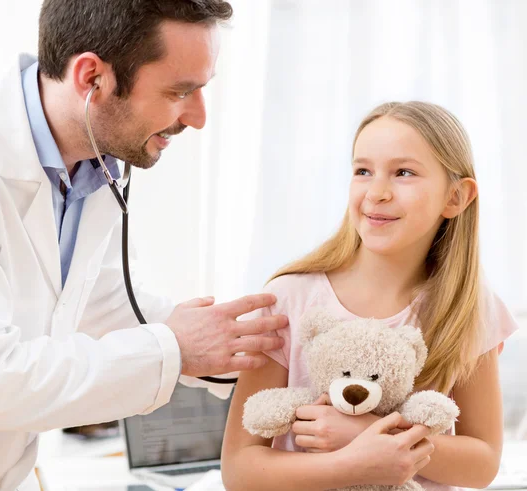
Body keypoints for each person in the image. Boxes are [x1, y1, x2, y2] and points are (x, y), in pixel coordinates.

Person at [0, 1, 292, 490]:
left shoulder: (90, 169)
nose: (199, 117)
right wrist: (178, 349)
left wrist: (272, 354)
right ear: (92, 77)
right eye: (180, 91)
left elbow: (110, 306)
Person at [221, 101, 519, 491]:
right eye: (363, 171)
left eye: (404, 173)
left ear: (456, 197)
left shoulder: (470, 309)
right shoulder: (289, 299)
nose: (376, 192)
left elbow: (481, 464)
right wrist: (356, 459)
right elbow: (240, 470)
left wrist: (369, 431)